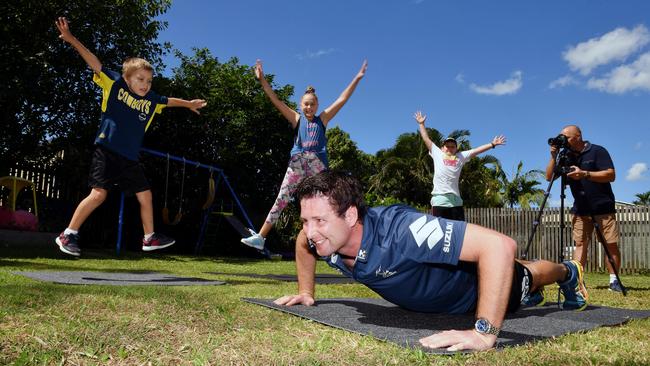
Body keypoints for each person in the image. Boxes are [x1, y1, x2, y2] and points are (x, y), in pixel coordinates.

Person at [274, 171, 589, 352]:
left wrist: (483, 332)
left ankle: (568, 272)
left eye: (319, 220)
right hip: (443, 290)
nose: (310, 231)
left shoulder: (402, 231)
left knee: (526, 274)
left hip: (474, 292)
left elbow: (499, 246)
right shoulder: (322, 239)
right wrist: (306, 290)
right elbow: (303, 243)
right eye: (305, 220)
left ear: (351, 214)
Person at [54, 17, 207, 257]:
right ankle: (69, 233)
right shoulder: (114, 84)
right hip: (106, 150)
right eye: (140, 79)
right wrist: (72, 39)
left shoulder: (151, 100)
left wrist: (188, 104)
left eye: (149, 80)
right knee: (98, 194)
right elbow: (95, 63)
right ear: (127, 78)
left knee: (145, 194)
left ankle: (149, 238)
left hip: (129, 158)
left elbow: (168, 101)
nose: (145, 85)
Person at [240, 59, 367, 250]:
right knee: (282, 198)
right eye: (306, 105)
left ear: (317, 106)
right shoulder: (296, 119)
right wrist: (262, 80)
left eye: (312, 105)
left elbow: (342, 99)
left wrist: (356, 78)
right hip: (297, 163)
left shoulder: (322, 119)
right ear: (301, 105)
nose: (309, 108)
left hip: (317, 165)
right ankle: (261, 237)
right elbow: (275, 100)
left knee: (329, 200)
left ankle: (343, 236)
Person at [544, 124, 622, 292]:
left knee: (610, 245)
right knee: (580, 244)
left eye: (567, 138)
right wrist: (553, 156)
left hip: (603, 208)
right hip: (580, 209)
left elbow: (611, 175)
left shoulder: (597, 151)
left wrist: (585, 174)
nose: (564, 141)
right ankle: (578, 280)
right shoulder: (566, 156)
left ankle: (614, 280)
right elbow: (549, 177)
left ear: (578, 137)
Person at [414, 111, 506, 221]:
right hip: (440, 199)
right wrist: (421, 124)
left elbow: (476, 151)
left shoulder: (461, 156)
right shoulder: (438, 153)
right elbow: (426, 139)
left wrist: (492, 144)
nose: (449, 148)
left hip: (456, 201)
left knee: (458, 230)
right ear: (442, 148)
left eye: (452, 146)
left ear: (456, 149)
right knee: (439, 232)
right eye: (447, 146)